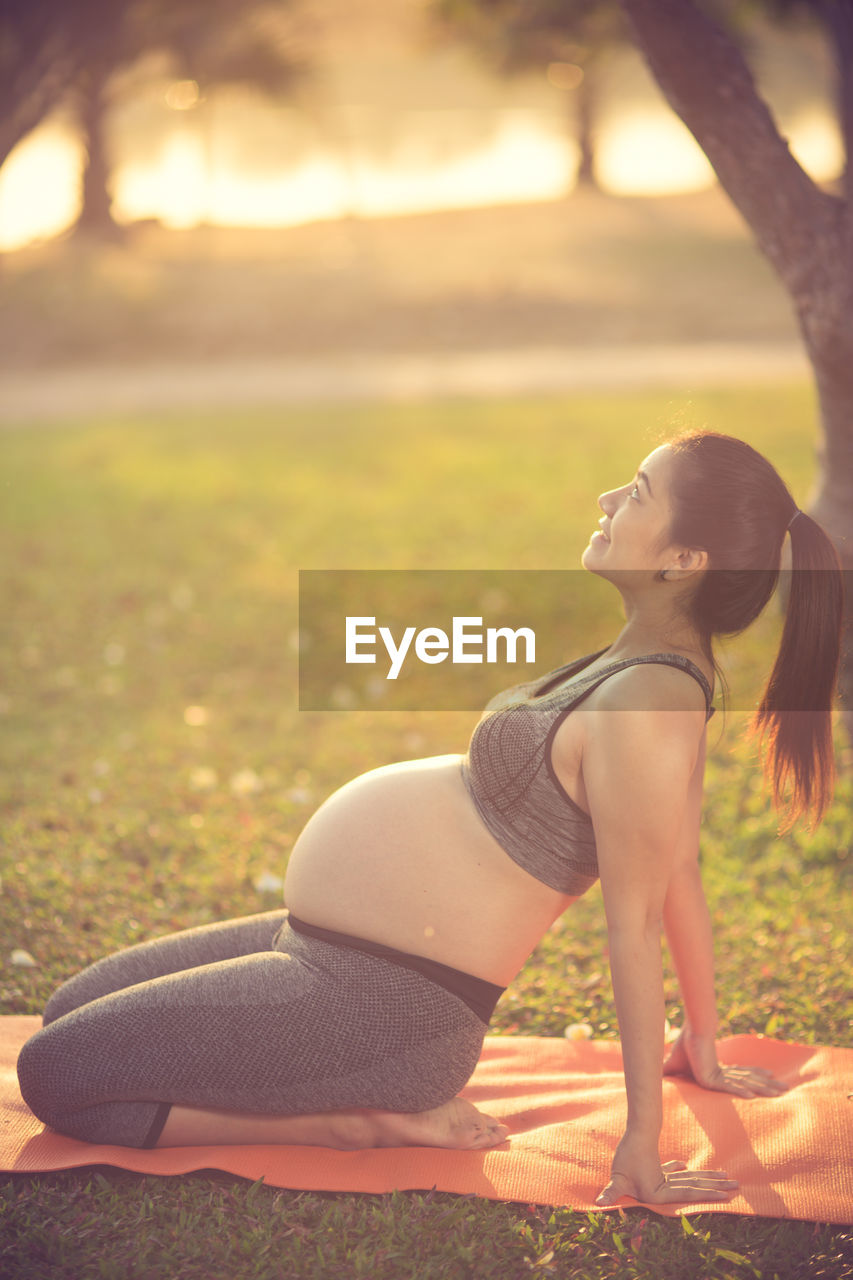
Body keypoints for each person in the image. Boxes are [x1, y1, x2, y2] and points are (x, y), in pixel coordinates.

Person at [18, 430, 843, 1208]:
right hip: (321, 951)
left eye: (634, 494)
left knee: (56, 1076)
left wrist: (641, 1137)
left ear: (682, 561)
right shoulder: (640, 665)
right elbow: (683, 871)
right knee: (70, 1009)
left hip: (381, 1008)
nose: (603, 500)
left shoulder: (653, 702)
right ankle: (333, 1092)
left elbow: (636, 921)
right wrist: (702, 1038)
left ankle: (354, 1124)